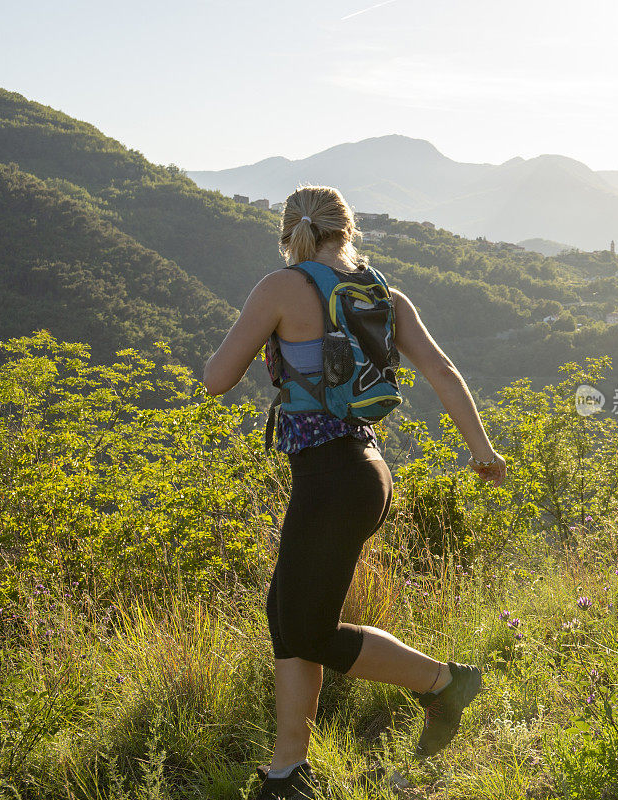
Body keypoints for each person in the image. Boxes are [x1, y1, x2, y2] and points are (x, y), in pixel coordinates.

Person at [203, 185, 507, 800]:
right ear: (348, 230)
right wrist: (483, 450)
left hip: (332, 479)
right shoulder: (385, 297)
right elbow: (443, 371)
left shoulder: (281, 288)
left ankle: (444, 685)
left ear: (291, 231)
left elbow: (216, 379)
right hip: (362, 470)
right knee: (288, 619)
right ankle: (288, 771)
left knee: (308, 629)